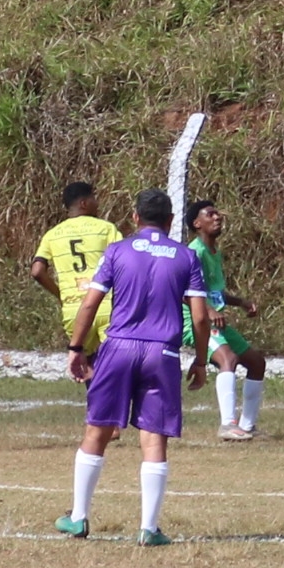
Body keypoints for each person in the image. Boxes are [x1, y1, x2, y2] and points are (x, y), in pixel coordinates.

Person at [56, 189, 210, 546]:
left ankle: (78, 518)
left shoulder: (117, 250)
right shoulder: (186, 256)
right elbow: (201, 318)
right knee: (154, 437)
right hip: (162, 352)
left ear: (135, 217)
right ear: (171, 221)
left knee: (97, 430)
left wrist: (76, 348)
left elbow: (90, 304)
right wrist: (201, 360)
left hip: (119, 348)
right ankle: (148, 528)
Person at [183, 200, 268, 441]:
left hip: (214, 321)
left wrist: (241, 302)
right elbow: (183, 291)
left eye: (217, 213)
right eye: (210, 214)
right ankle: (227, 425)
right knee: (228, 359)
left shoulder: (213, 252)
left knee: (256, 363)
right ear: (197, 223)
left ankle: (247, 426)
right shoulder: (194, 252)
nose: (217, 217)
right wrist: (209, 311)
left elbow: (214, 292)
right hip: (195, 321)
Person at [32, 182, 123, 360]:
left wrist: (60, 295)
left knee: (86, 363)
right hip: (105, 305)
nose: (97, 203)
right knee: (114, 362)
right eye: (93, 198)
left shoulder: (52, 235)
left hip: (74, 309)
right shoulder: (106, 229)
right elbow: (123, 261)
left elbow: (37, 271)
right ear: (84, 203)